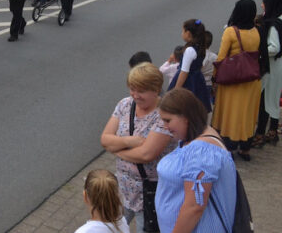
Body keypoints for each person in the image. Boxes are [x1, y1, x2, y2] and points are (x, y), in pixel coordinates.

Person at [100, 63, 174, 232]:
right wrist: (129, 142)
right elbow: (105, 139)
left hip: (148, 193)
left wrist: (116, 148)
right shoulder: (125, 105)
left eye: (141, 91)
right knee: (112, 229)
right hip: (123, 189)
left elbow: (147, 154)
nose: (135, 95)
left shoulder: (164, 114)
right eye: (132, 89)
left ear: (156, 90)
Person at [155, 88, 237, 232]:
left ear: (186, 117)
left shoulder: (202, 152)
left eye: (168, 120)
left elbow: (194, 207)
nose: (164, 125)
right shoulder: (195, 140)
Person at [211, 0, 263, 161]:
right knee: (246, 114)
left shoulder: (231, 32)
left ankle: (228, 146)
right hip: (252, 80)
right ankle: (245, 147)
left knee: (229, 113)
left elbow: (221, 56)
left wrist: (214, 77)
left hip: (232, 80)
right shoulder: (257, 31)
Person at [252, 0, 282, 147]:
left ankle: (260, 134)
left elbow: (274, 47)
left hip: (271, 67)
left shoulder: (273, 24)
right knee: (274, 98)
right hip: (278, 66)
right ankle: (272, 131)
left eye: (264, 3)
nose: (262, 6)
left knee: (265, 99)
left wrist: (258, 49)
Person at [167, 19, 212, 112]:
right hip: (198, 80)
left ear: (188, 33)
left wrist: (176, 90)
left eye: (183, 31)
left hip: (188, 82)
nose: (182, 33)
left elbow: (184, 72)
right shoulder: (201, 46)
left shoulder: (190, 50)